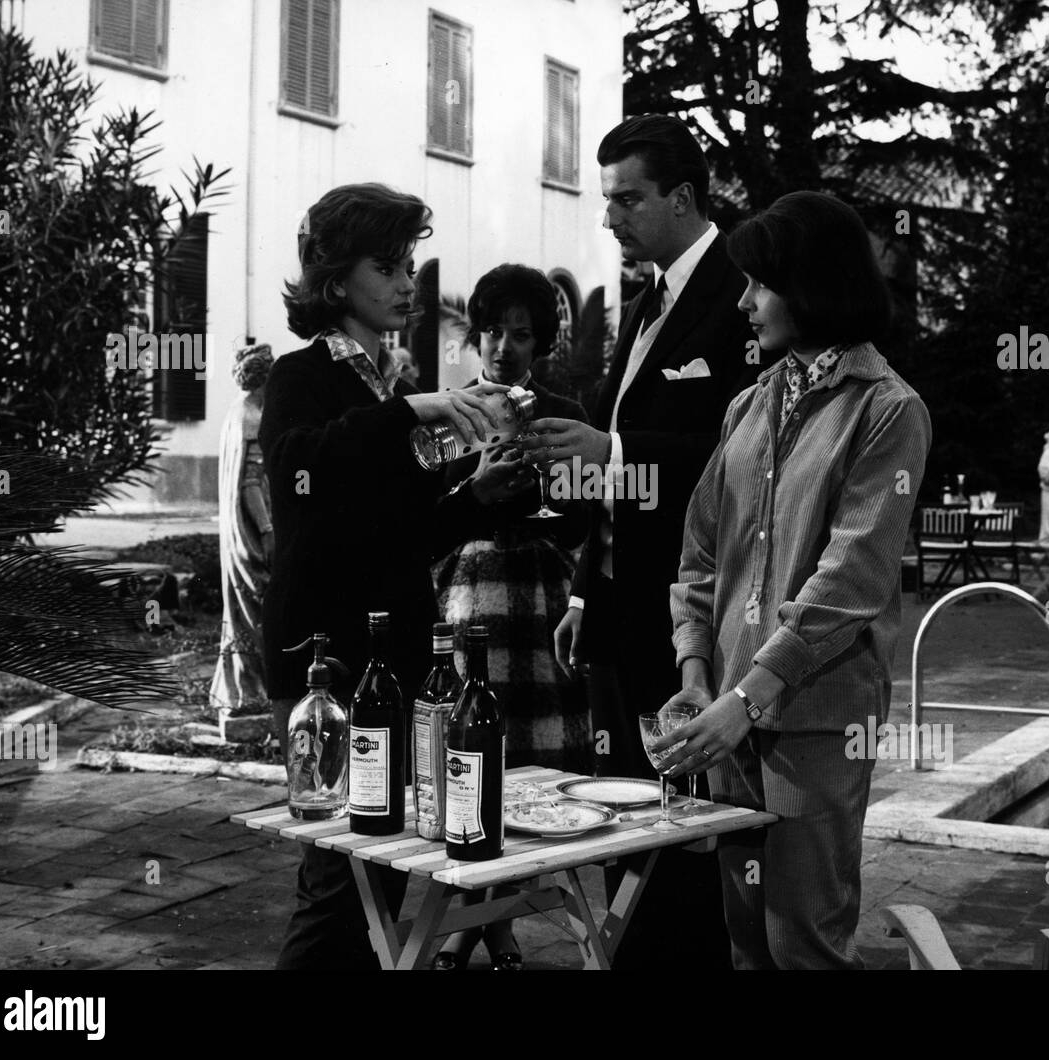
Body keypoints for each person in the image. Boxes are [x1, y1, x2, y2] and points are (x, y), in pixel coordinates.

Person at [520, 114, 775, 969]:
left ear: (684, 197)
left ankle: (686, 957)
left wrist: (616, 453)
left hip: (696, 614)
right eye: (606, 201)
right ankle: (637, 951)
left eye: (627, 200)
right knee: (630, 806)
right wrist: (587, 589)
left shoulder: (745, 298)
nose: (609, 218)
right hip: (623, 608)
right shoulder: (646, 303)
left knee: (689, 815)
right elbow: (611, 454)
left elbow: (750, 454)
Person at [652, 190, 931, 969]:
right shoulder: (747, 405)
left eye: (759, 284)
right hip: (727, 721)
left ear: (811, 284)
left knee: (801, 941)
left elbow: (853, 579)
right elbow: (701, 553)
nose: (743, 302)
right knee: (744, 940)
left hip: (815, 721)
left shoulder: (888, 410)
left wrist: (747, 699)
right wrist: (697, 676)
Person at [261, 183, 532, 970]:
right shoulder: (300, 377)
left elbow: (403, 533)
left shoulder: (389, 384)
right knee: (339, 877)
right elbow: (303, 474)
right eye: (387, 265)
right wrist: (420, 409)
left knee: (377, 879)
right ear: (336, 280)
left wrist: (475, 496)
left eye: (409, 262)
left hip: (396, 655)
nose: (406, 280)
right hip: (325, 658)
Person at [430, 263, 590, 971]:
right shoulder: (446, 411)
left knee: (536, 768)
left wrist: (552, 473)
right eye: (492, 331)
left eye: (520, 335)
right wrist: (476, 485)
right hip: (471, 596)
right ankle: (490, 931)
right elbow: (424, 516)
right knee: (474, 759)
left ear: (541, 342)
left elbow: (590, 516)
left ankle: (480, 928)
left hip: (543, 600)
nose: (503, 347)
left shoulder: (563, 409)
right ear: (476, 336)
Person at [210, 343, 274, 721]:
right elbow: (249, 483)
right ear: (265, 376)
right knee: (257, 609)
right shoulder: (251, 416)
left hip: (238, 533)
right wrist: (267, 530)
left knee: (242, 611)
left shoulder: (236, 412)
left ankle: (237, 691)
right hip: (252, 533)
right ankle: (251, 695)